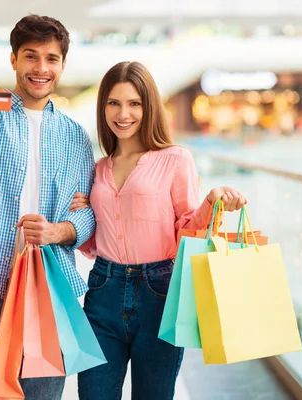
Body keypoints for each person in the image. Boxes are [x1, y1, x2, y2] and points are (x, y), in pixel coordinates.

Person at [69, 61, 247, 400]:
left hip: (160, 293)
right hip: (103, 289)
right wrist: (83, 215)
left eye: (134, 103)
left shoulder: (175, 159)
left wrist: (212, 202)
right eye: (114, 103)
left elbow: (185, 233)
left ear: (148, 106)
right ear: (103, 107)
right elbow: (92, 246)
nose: (124, 114)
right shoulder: (98, 168)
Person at [0, 15, 96, 400]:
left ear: (62, 64)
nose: (41, 68)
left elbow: (86, 212)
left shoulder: (75, 137)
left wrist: (60, 230)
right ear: (14, 59)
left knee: (44, 391)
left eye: (51, 58)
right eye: (31, 56)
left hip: (51, 282)